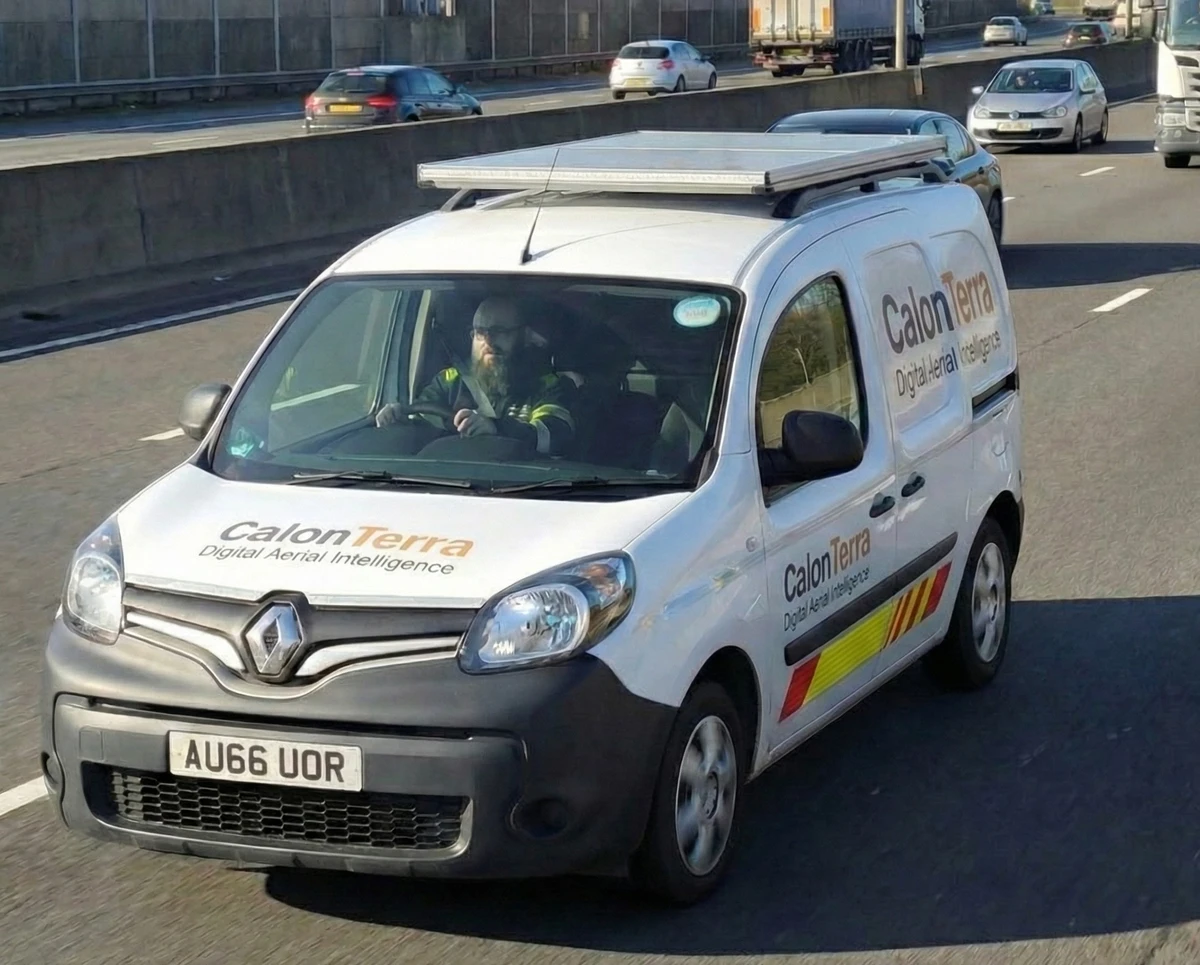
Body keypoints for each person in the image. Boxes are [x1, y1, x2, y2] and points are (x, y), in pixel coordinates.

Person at [376, 295, 578, 456]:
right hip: (448, 483)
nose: (488, 340)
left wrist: (497, 429)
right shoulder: (449, 381)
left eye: (499, 331)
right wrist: (397, 421)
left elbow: (554, 435)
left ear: (524, 336)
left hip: (524, 486)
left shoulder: (547, 385)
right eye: (481, 332)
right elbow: (420, 425)